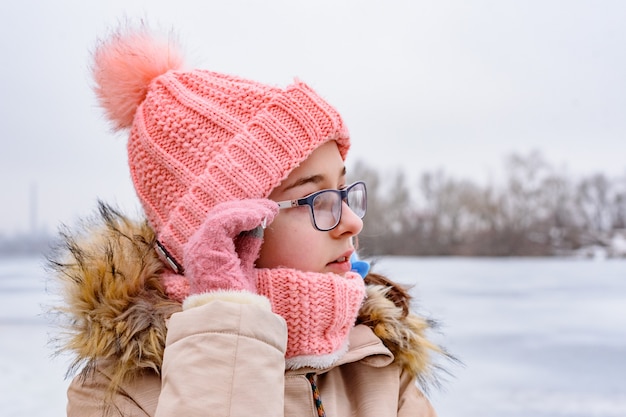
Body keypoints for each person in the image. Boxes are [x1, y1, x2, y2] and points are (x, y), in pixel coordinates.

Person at [49, 23, 450, 417]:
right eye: (314, 199)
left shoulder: (376, 358)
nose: (351, 222)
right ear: (225, 230)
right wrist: (229, 320)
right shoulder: (115, 395)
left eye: (343, 192)